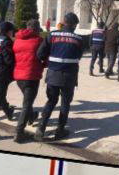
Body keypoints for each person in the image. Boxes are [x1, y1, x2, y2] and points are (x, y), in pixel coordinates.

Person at [35, 12, 83, 141]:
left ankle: (41, 128)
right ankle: (60, 130)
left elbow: (40, 54)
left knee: (51, 101)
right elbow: (78, 56)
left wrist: (50, 62)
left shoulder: (52, 35)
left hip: (53, 75)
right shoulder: (78, 39)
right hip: (69, 76)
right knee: (65, 103)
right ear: (74, 25)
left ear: (64, 22)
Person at [12, 19, 45, 142]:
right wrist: (43, 65)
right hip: (31, 76)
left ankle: (32, 116)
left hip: (18, 76)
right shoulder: (39, 40)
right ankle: (19, 132)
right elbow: (45, 57)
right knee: (27, 104)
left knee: (27, 100)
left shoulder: (17, 39)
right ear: (36, 29)